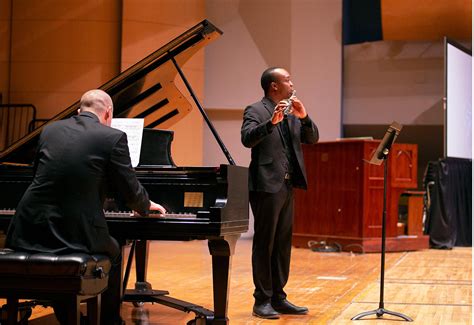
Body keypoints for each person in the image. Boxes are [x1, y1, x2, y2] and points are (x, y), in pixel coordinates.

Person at [5, 89, 166, 325]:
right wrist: (145, 205)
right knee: (113, 251)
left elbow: (38, 175)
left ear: (79, 111)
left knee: (62, 256)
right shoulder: (112, 137)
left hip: (29, 226)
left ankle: (67, 314)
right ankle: (109, 320)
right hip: (74, 231)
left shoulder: (50, 131)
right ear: (108, 113)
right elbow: (130, 190)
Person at [241, 67, 319, 319]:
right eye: (287, 79)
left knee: (283, 244)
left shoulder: (293, 112)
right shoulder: (256, 110)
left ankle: (279, 297)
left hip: (287, 185)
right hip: (265, 184)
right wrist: (270, 123)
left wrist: (304, 117)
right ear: (274, 86)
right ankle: (261, 300)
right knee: (265, 243)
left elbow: (312, 138)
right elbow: (247, 139)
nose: (292, 82)